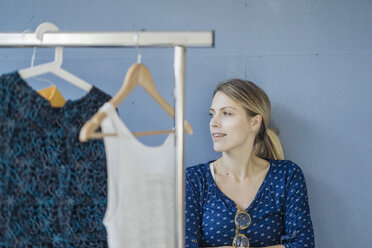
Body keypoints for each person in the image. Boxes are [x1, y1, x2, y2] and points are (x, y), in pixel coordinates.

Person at [185, 79, 314, 248]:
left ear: (254, 122)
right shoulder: (194, 180)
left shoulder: (286, 176)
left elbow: (303, 244)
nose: (213, 123)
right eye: (212, 113)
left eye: (226, 113)